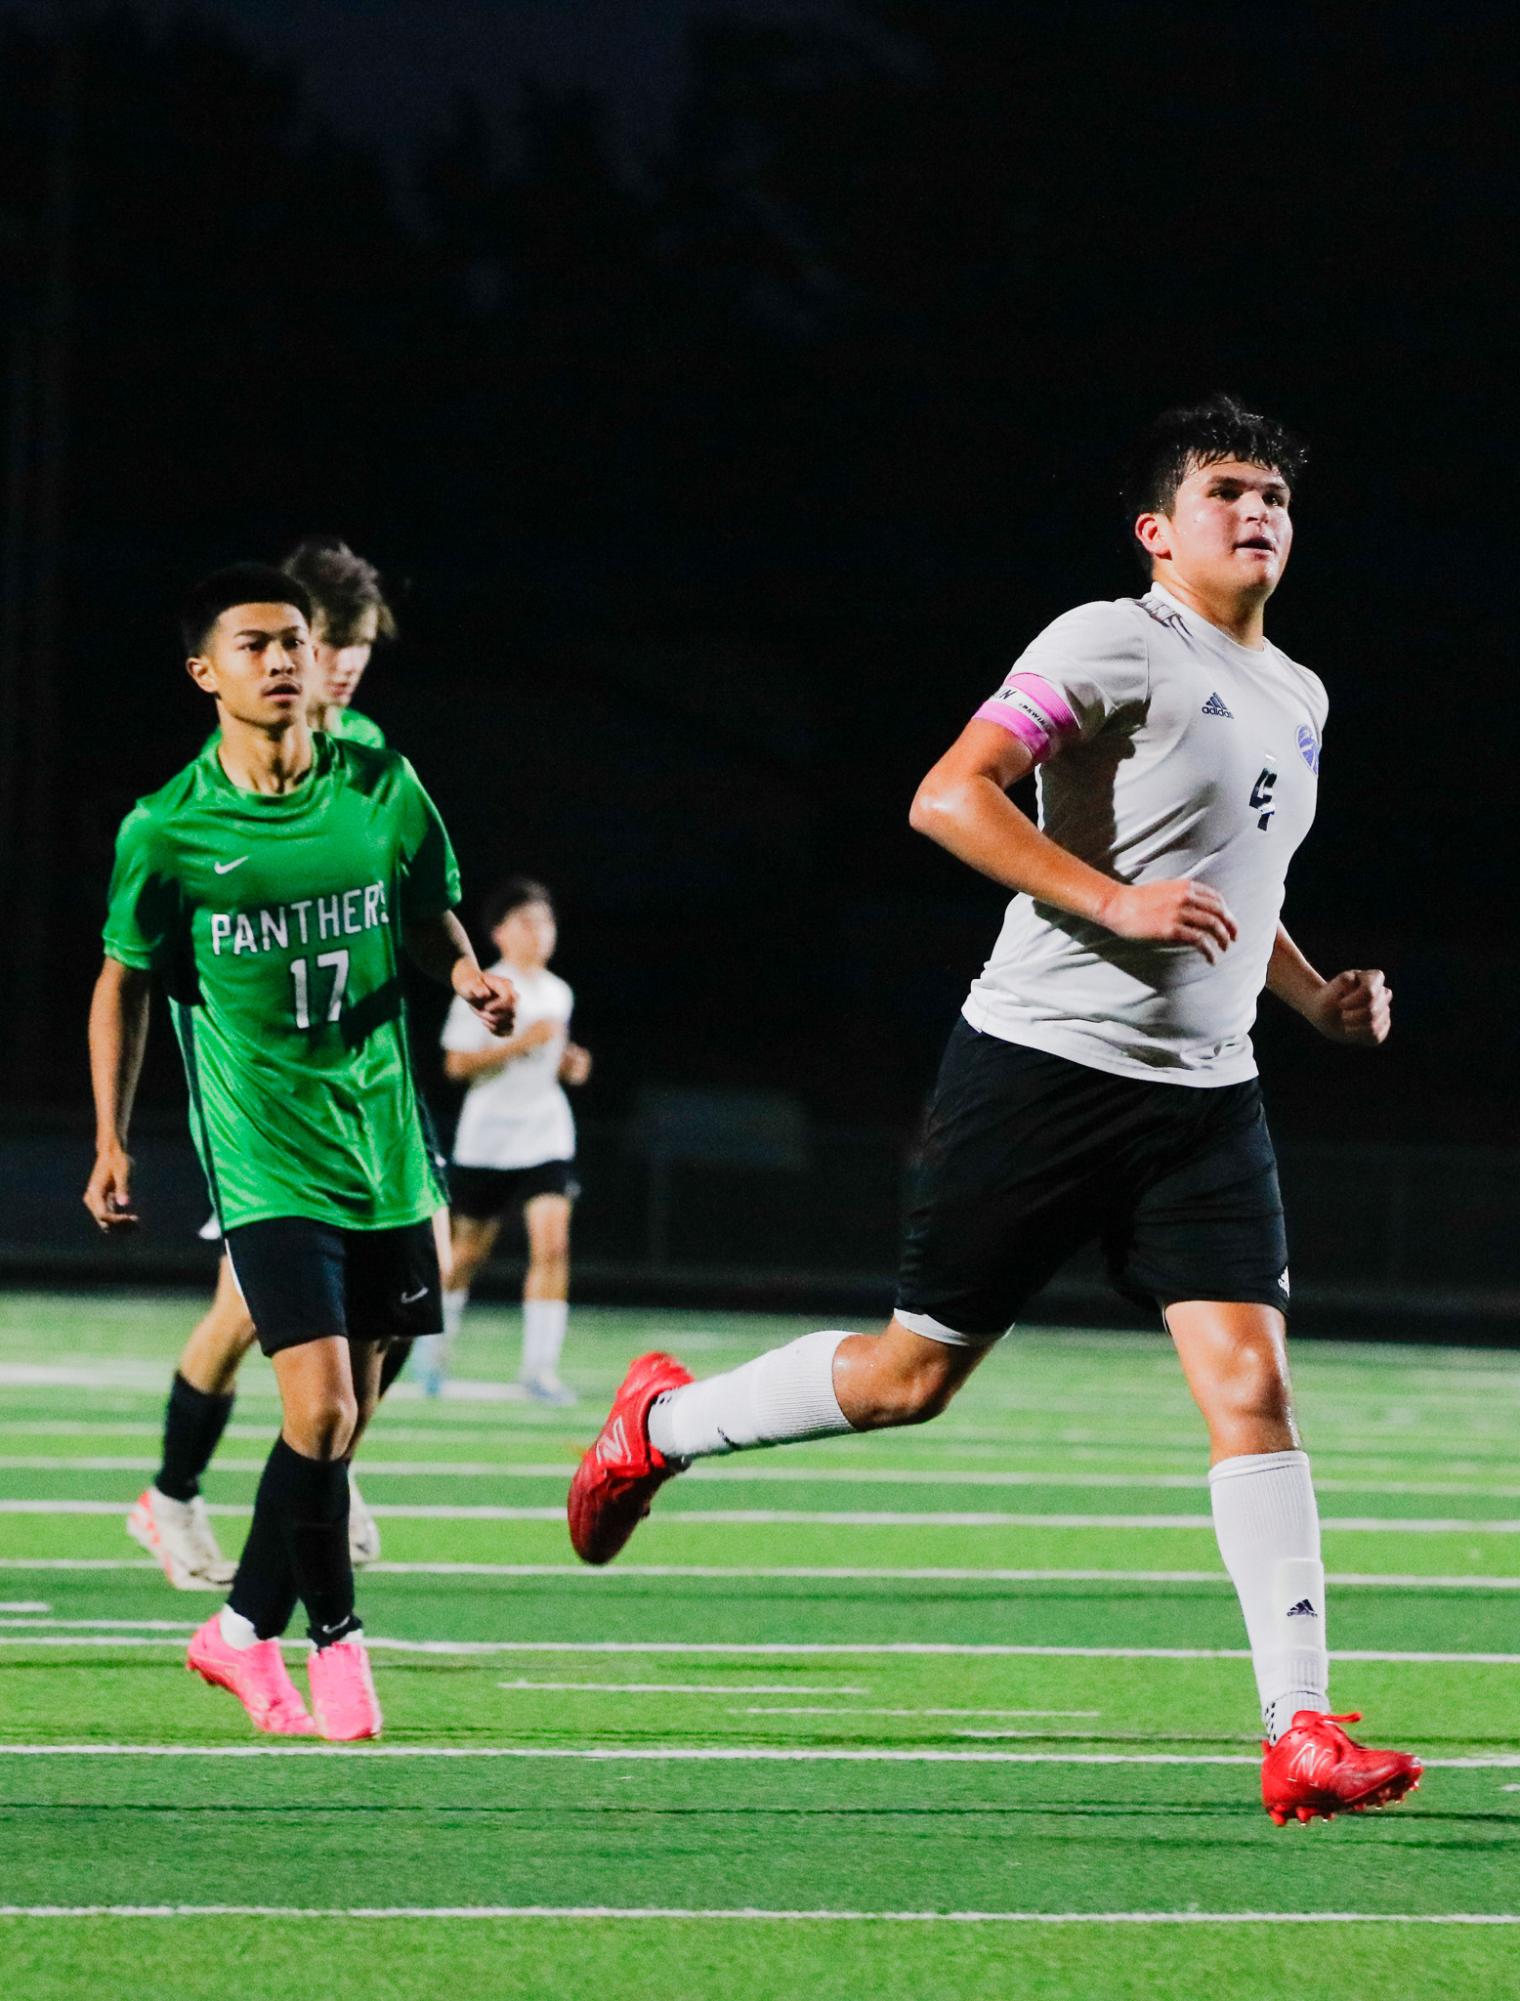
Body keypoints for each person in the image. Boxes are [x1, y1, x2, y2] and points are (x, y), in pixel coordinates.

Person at [567, 395, 1422, 1826]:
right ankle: (660, 1425)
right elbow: (947, 797)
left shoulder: (1304, 693)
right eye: (1225, 488)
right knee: (912, 1380)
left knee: (1253, 1390)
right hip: (1041, 1071)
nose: (1257, 507)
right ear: (1159, 532)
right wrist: (1108, 901)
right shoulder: (1108, 640)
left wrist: (1313, 996)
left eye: (1274, 491)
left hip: (1207, 1104)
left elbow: (1233, 881)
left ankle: (1303, 1729)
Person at [87, 563, 513, 1739]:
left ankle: (234, 1630)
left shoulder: (380, 783)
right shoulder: (168, 829)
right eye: (255, 645)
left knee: (339, 1422)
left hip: (381, 1145)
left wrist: (466, 971)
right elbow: (121, 984)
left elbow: (426, 915)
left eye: (295, 642)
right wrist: (112, 1138)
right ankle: (337, 1641)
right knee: (317, 1409)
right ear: (204, 672)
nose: (284, 662)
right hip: (264, 1154)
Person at [126, 538, 434, 1590]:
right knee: (247, 1309)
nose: (340, 664)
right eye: (326, 641)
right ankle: (171, 1493)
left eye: (351, 646)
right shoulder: (227, 779)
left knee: (389, 1297)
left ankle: (325, 1472)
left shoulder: (368, 758)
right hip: (266, 1100)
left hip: (363, 1089)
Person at [413, 878, 592, 1401]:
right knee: (465, 1255)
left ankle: (539, 1370)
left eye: (547, 923)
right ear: (499, 933)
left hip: (546, 1133)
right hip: (488, 1139)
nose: (541, 933)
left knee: (553, 1245)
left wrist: (568, 1063)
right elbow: (455, 1065)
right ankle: (432, 1356)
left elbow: (550, 1059)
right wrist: (522, 1045)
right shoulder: (485, 983)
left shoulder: (560, 992)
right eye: (528, 923)